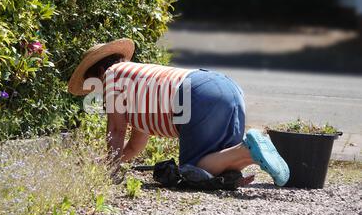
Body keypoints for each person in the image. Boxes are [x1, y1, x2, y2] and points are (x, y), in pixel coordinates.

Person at [68, 38, 289, 187]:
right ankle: (247, 154)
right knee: (217, 161)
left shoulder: (112, 77)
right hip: (226, 87)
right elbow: (136, 144)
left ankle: (247, 150)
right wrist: (107, 161)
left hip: (196, 95)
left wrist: (110, 173)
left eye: (93, 86)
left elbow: (115, 131)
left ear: (99, 72)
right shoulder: (138, 79)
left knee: (192, 171)